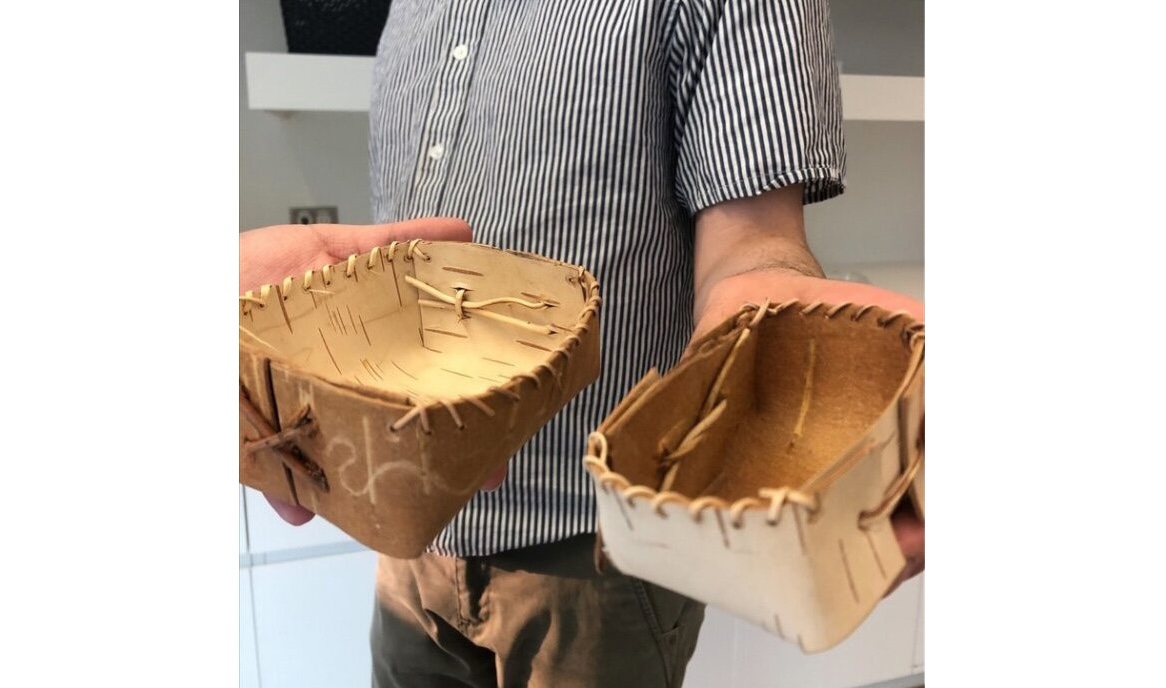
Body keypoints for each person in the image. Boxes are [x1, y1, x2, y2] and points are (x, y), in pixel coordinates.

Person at [239, 1, 924, 685]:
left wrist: (774, 315)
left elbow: (753, 239)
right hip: (404, 527)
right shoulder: (416, 9)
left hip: (589, 554)